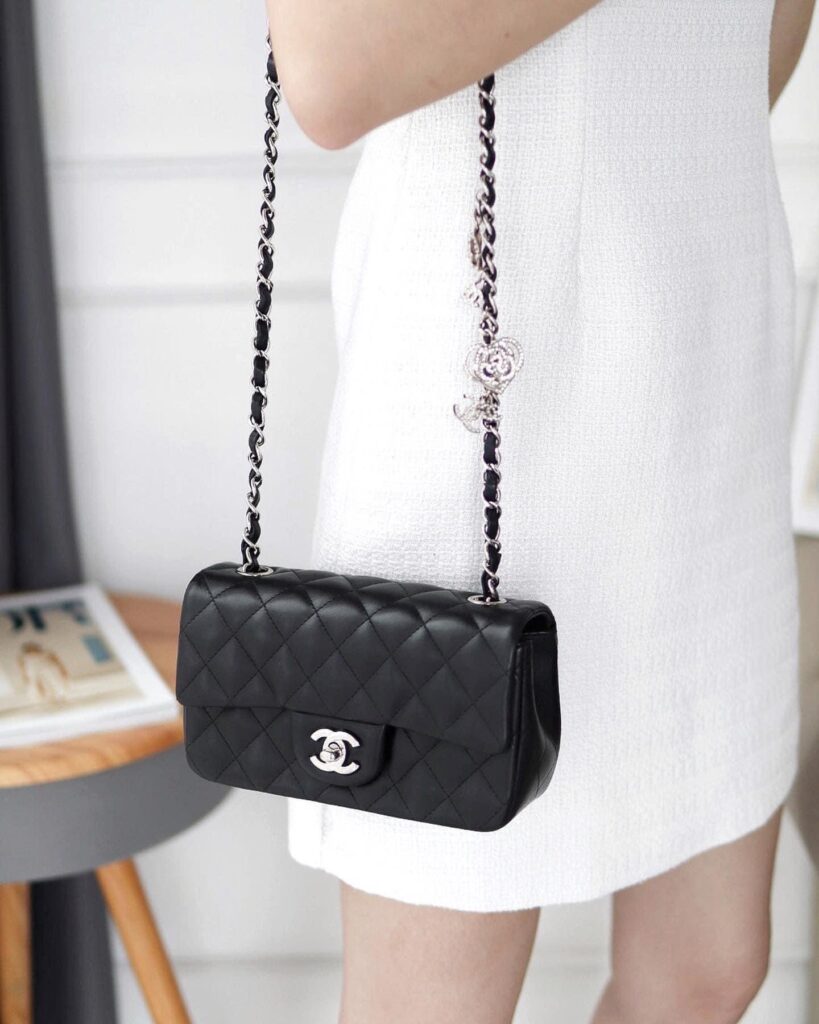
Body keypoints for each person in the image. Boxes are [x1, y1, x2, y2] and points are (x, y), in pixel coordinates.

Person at [265, 2, 816, 1022]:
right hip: (477, 434)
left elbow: (747, 66)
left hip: (700, 387)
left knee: (706, 974)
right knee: (433, 1004)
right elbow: (330, 69)